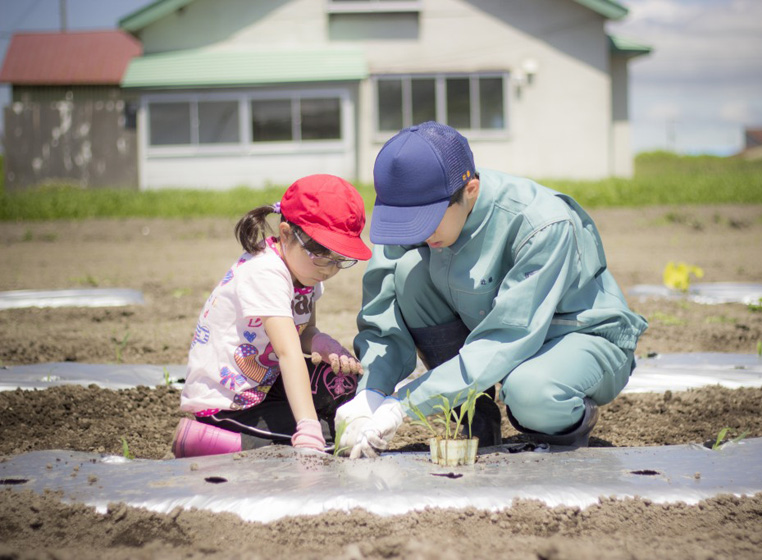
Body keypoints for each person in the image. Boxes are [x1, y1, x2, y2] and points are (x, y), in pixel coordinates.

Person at [335, 122, 648, 458]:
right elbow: (382, 310)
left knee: (531, 392)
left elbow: (507, 337)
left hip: (576, 334)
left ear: (470, 190)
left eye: (427, 220)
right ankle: (475, 416)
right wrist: (371, 394)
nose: (418, 233)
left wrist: (402, 405)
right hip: (490, 329)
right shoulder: (415, 211)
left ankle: (559, 431)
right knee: (409, 274)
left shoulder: (541, 224)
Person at [172, 174, 371, 458]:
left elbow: (302, 333)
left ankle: (294, 427)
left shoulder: (307, 271)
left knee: (345, 387)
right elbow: (287, 353)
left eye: (339, 259)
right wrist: (307, 426)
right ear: (287, 234)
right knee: (335, 438)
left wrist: (318, 341)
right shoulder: (266, 272)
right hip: (228, 401)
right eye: (321, 254)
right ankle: (211, 441)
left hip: (265, 382)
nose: (328, 268)